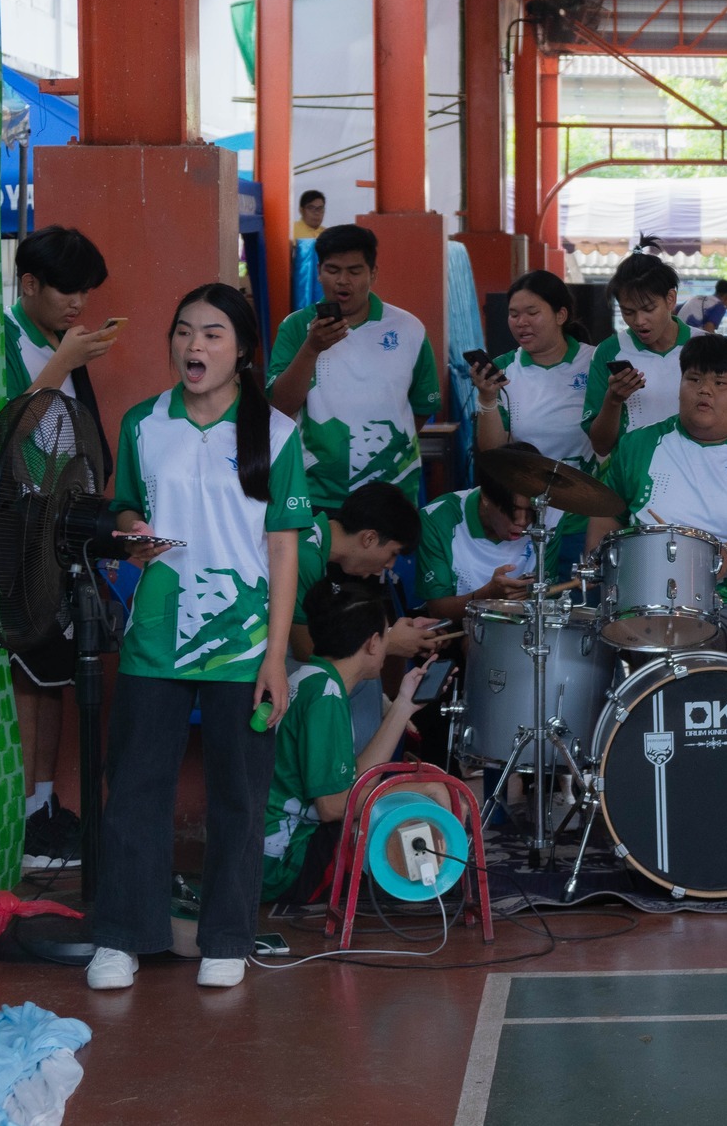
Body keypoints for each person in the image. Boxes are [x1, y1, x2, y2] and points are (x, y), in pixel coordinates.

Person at [91, 283, 313, 991]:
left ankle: (226, 937)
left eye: (213, 334)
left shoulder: (275, 434)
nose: (195, 346)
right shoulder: (142, 423)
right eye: (184, 331)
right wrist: (129, 533)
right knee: (133, 788)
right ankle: (123, 936)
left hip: (244, 643)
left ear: (243, 349)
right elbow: (123, 503)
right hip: (156, 634)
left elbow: (284, 551)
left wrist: (276, 657)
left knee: (239, 797)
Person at [3, 226, 117, 868]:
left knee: (52, 670)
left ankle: (44, 802)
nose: (78, 303)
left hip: (62, 527)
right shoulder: (6, 336)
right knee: (26, 669)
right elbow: (5, 429)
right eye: (67, 290)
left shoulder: (55, 341)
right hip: (15, 528)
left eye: (85, 292)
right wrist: (64, 363)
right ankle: (19, 816)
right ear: (29, 285)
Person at [587, 335, 727, 636]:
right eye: (693, 379)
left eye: (720, 384)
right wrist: (601, 567)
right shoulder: (637, 444)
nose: (704, 390)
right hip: (643, 603)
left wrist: (726, 555)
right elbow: (606, 513)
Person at [260, 580, 450, 906]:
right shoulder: (326, 697)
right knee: (424, 808)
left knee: (418, 798)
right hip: (288, 862)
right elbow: (333, 807)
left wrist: (404, 704)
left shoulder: (312, 679)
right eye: (387, 634)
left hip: (274, 853)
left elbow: (355, 783)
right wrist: (424, 790)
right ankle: (443, 889)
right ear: (373, 643)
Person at [267, 224, 443, 510]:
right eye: (333, 270)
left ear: (373, 273)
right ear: (319, 271)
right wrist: (311, 348)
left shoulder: (408, 329)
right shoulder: (297, 327)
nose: (342, 281)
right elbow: (279, 406)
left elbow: (422, 407)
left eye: (354, 271)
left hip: (391, 490)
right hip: (315, 492)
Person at [288, 480, 435, 664]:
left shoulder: (316, 539)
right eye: (393, 553)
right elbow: (306, 653)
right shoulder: (305, 558)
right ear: (369, 538)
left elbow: (327, 637)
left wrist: (390, 634)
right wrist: (388, 644)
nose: (390, 565)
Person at [471, 271, 596, 476]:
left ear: (560, 315)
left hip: (588, 494)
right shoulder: (502, 369)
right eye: (514, 314)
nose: (521, 322)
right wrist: (487, 398)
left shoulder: (594, 361)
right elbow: (493, 451)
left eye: (532, 312)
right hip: (525, 497)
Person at [583, 250, 689, 461]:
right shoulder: (608, 352)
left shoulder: (703, 347)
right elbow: (601, 446)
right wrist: (613, 401)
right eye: (628, 312)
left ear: (670, 299)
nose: (639, 321)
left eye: (648, 309)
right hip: (630, 478)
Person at [415, 446, 540, 622]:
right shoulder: (437, 518)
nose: (522, 520)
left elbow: (547, 602)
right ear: (486, 497)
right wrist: (488, 595)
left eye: (530, 511)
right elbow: (438, 611)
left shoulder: (549, 519)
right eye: (512, 510)